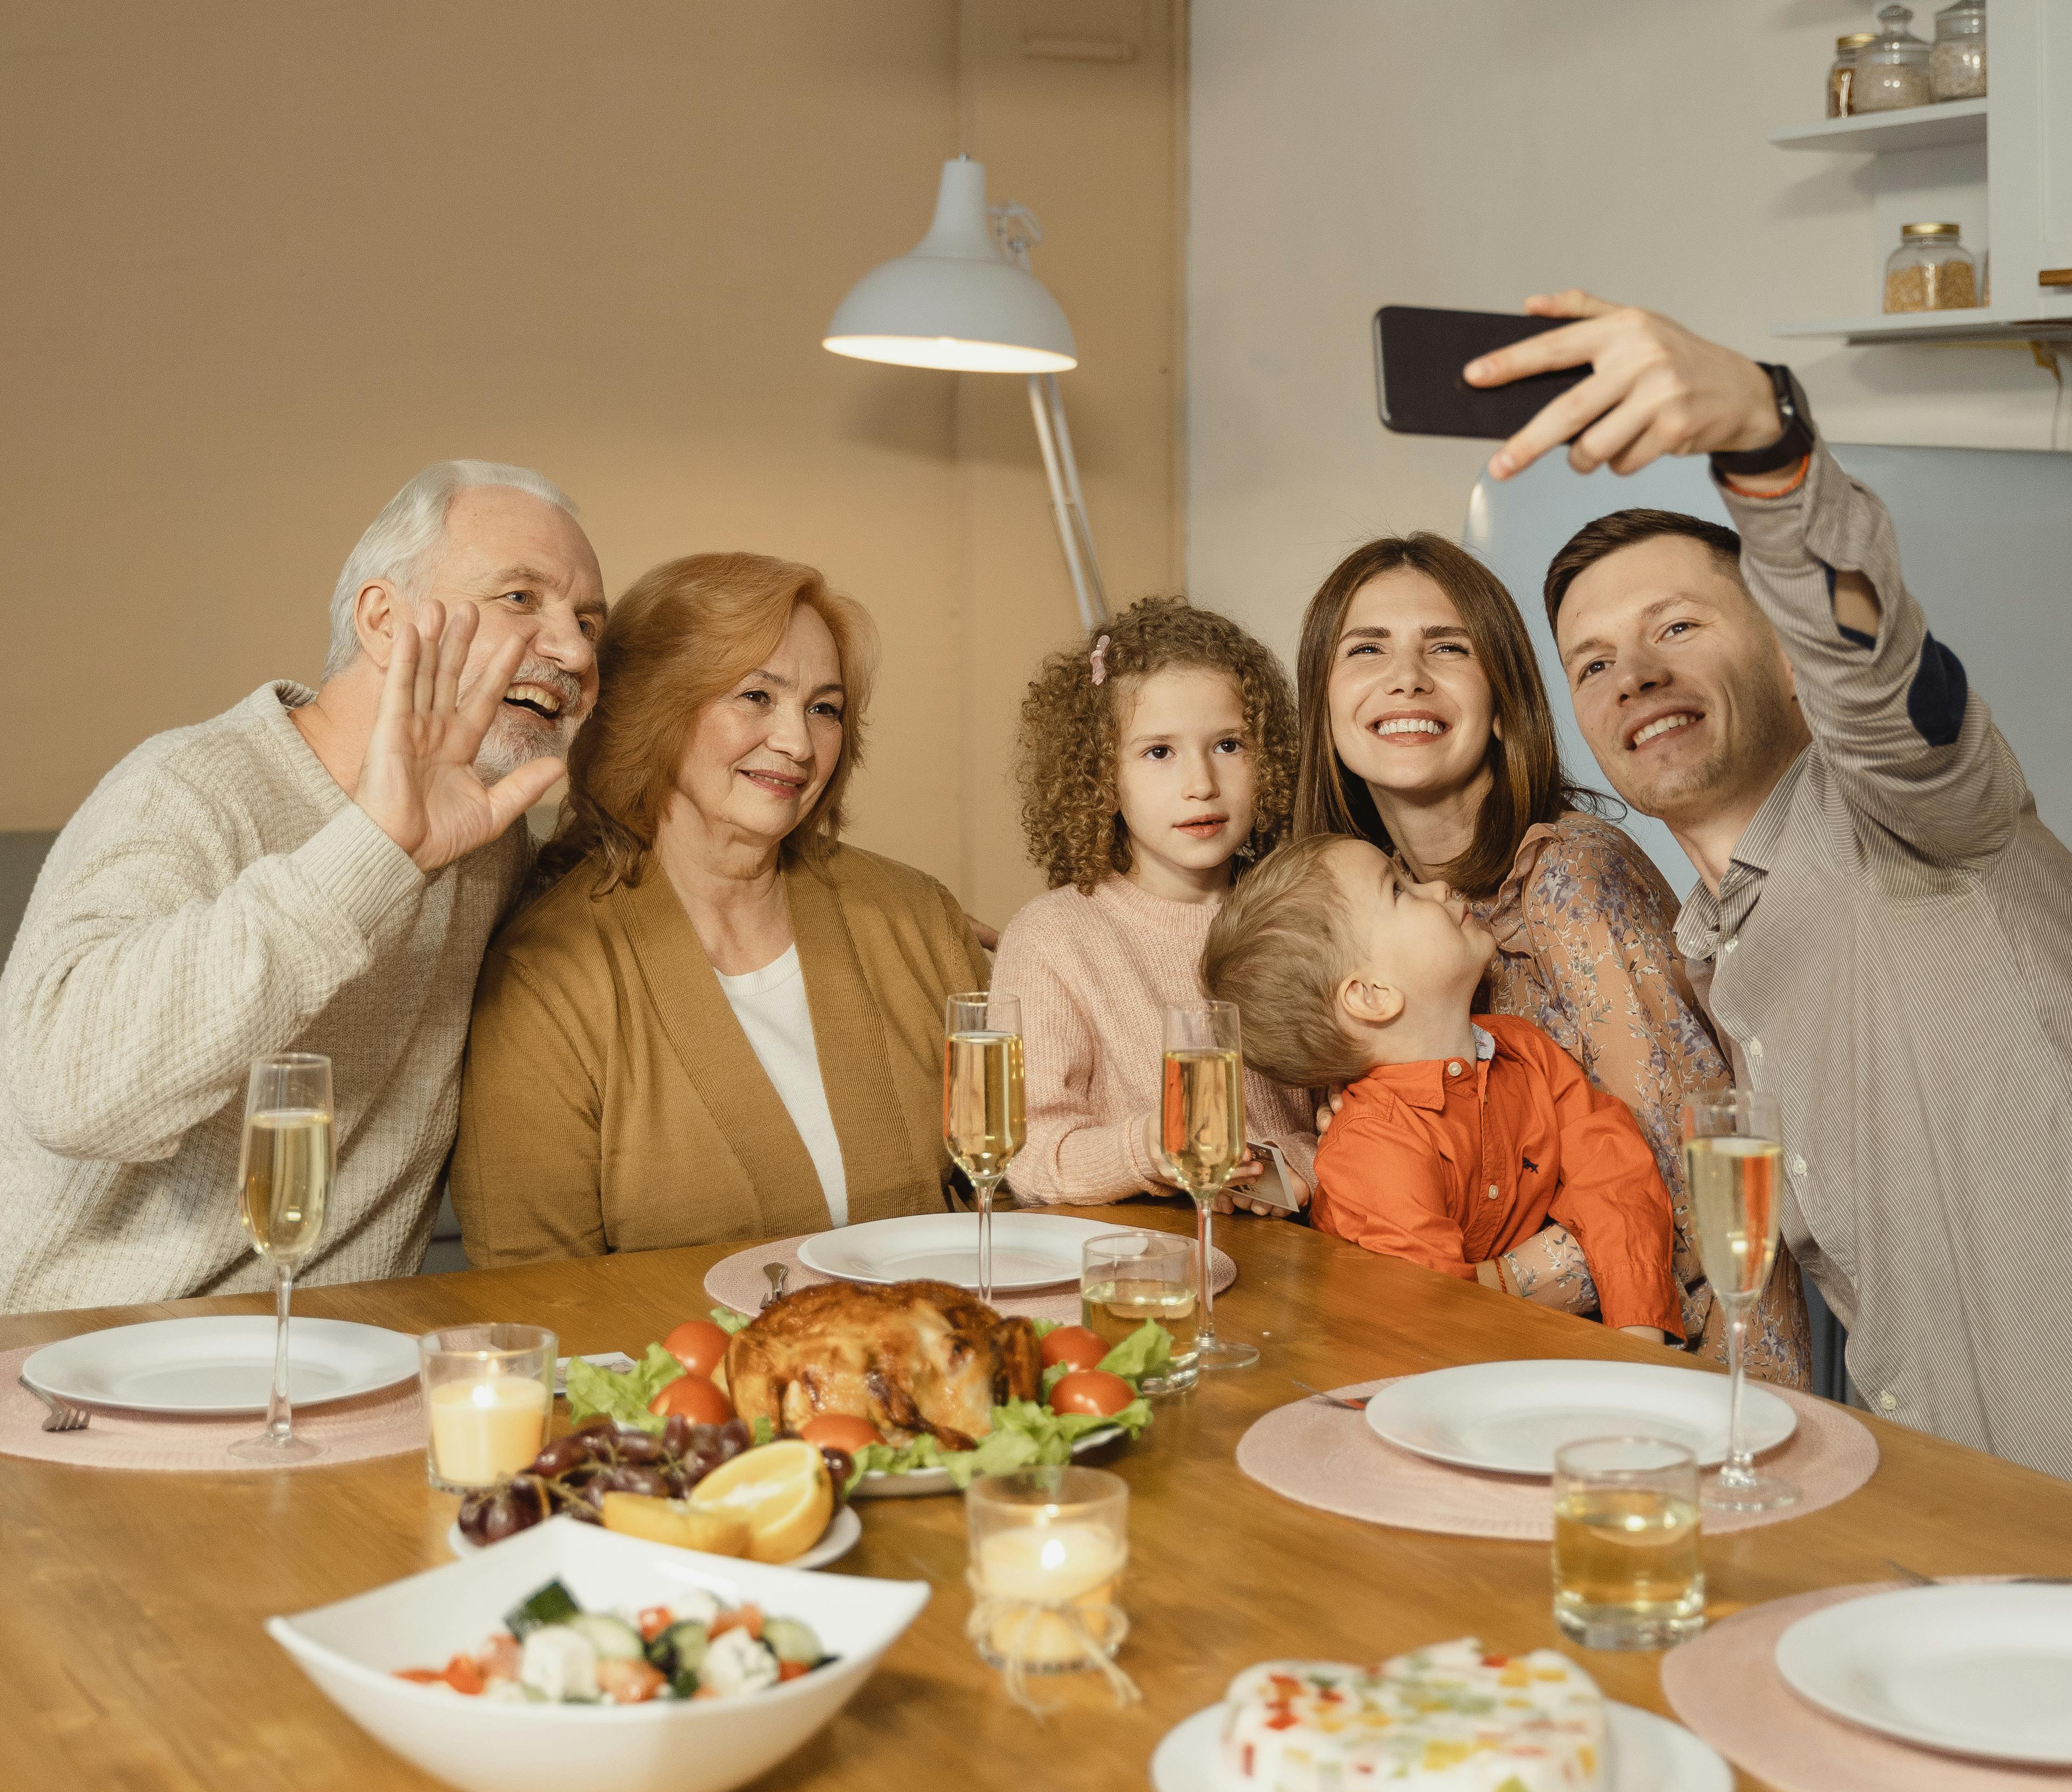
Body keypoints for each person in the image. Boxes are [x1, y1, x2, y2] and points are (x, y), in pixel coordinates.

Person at [1474, 288, 2072, 1494]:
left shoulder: (1915, 817)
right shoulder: (1710, 949)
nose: (1637, 675)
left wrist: (1766, 446)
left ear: (1779, 650)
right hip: (1970, 1544)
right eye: (1594, 663)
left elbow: (1880, 677)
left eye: (1677, 625)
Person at [0, 461, 604, 1312]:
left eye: (586, 621)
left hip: (333, 1369)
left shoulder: (492, 849)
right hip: (83, 1368)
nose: (575, 649)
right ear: (385, 620)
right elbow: (68, 1092)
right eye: (520, 598)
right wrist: (373, 849)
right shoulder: (188, 789)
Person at [1294, 533, 1806, 1378]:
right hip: (1486, 1363)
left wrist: (1473, 1283)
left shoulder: (1570, 874)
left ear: (1503, 703)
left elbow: (1687, 1194)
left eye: (1447, 647)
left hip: (1682, 1358)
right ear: (1322, 703)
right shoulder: (1342, 930)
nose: (1407, 675)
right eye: (1367, 648)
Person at [453, 552, 992, 1262]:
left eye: (824, 708)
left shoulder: (917, 917)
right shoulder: (546, 977)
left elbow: (1013, 1207)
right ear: (656, 710)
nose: (798, 743)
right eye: (756, 696)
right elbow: (536, 1293)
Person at [1205, 833, 1682, 1339]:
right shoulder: (1373, 1150)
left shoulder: (1528, 1052)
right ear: (1371, 995)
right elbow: (1437, 1323)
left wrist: (1639, 1330)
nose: (1437, 887)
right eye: (1399, 890)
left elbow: (1615, 1173)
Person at [994, 597, 1321, 1214]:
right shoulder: (1052, 937)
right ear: (1100, 776)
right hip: (1132, 1268)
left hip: (1296, 1265)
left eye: (1228, 744)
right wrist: (1145, 1149)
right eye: (1159, 752)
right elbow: (1030, 1156)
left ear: (1268, 756)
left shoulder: (1302, 912)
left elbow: (1360, 1116)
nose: (1200, 782)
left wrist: (1291, 1170)